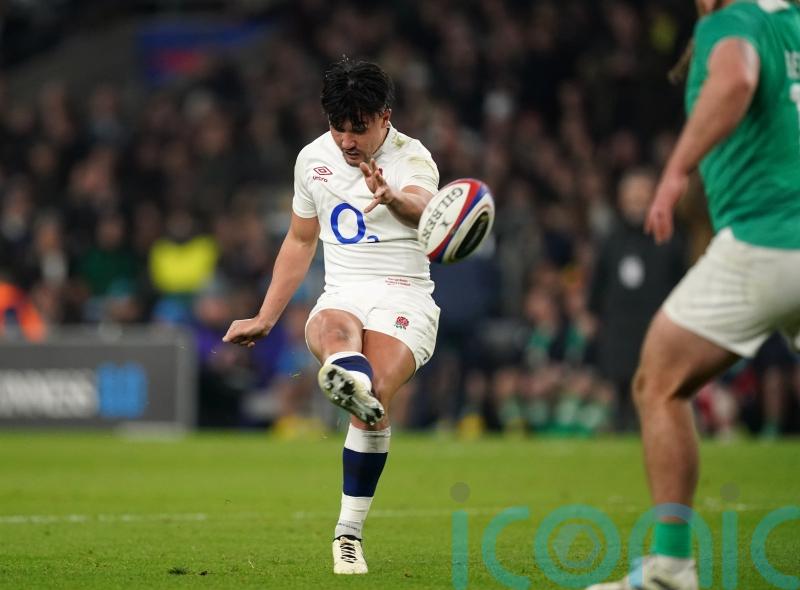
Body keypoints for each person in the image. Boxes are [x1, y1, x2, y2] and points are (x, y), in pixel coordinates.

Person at [589, 0, 800, 589]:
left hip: (768, 240)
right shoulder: (792, 24)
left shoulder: (731, 21)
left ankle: (671, 569)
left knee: (658, 382)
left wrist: (677, 170)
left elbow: (735, 78)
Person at [222, 58, 440, 575]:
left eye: (358, 128)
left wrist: (393, 198)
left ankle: (348, 534)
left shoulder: (413, 157)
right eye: (337, 127)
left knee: (375, 398)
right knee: (331, 327)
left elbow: (424, 208)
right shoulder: (312, 159)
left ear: (385, 117)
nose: (346, 140)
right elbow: (301, 240)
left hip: (404, 296)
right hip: (343, 290)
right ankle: (347, 375)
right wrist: (265, 316)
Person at [587, 168, 686, 432]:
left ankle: (658, 433)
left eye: (642, 197)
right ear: (621, 200)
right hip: (619, 329)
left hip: (655, 328)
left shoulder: (669, 238)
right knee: (620, 385)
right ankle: (620, 428)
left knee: (653, 387)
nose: (636, 204)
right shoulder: (611, 240)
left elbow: (681, 283)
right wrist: (593, 314)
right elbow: (598, 283)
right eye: (631, 198)